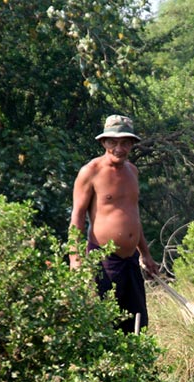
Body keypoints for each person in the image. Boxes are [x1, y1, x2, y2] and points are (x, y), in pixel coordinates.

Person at [69, 114, 159, 334]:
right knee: (105, 321)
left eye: (125, 142)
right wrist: (75, 258)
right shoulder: (90, 172)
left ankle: (137, 367)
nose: (119, 148)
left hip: (130, 262)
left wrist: (145, 254)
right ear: (104, 142)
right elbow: (77, 217)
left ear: (132, 144)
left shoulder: (132, 171)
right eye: (113, 142)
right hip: (104, 260)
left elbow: (133, 216)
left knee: (137, 323)